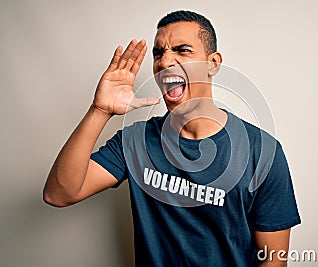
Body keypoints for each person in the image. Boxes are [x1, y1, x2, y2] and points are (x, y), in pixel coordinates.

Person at [43, 10, 301, 267]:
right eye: (159, 53)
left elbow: (273, 261)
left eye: (182, 50)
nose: (165, 62)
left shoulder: (263, 151)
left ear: (213, 63)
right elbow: (59, 194)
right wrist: (99, 111)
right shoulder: (136, 141)